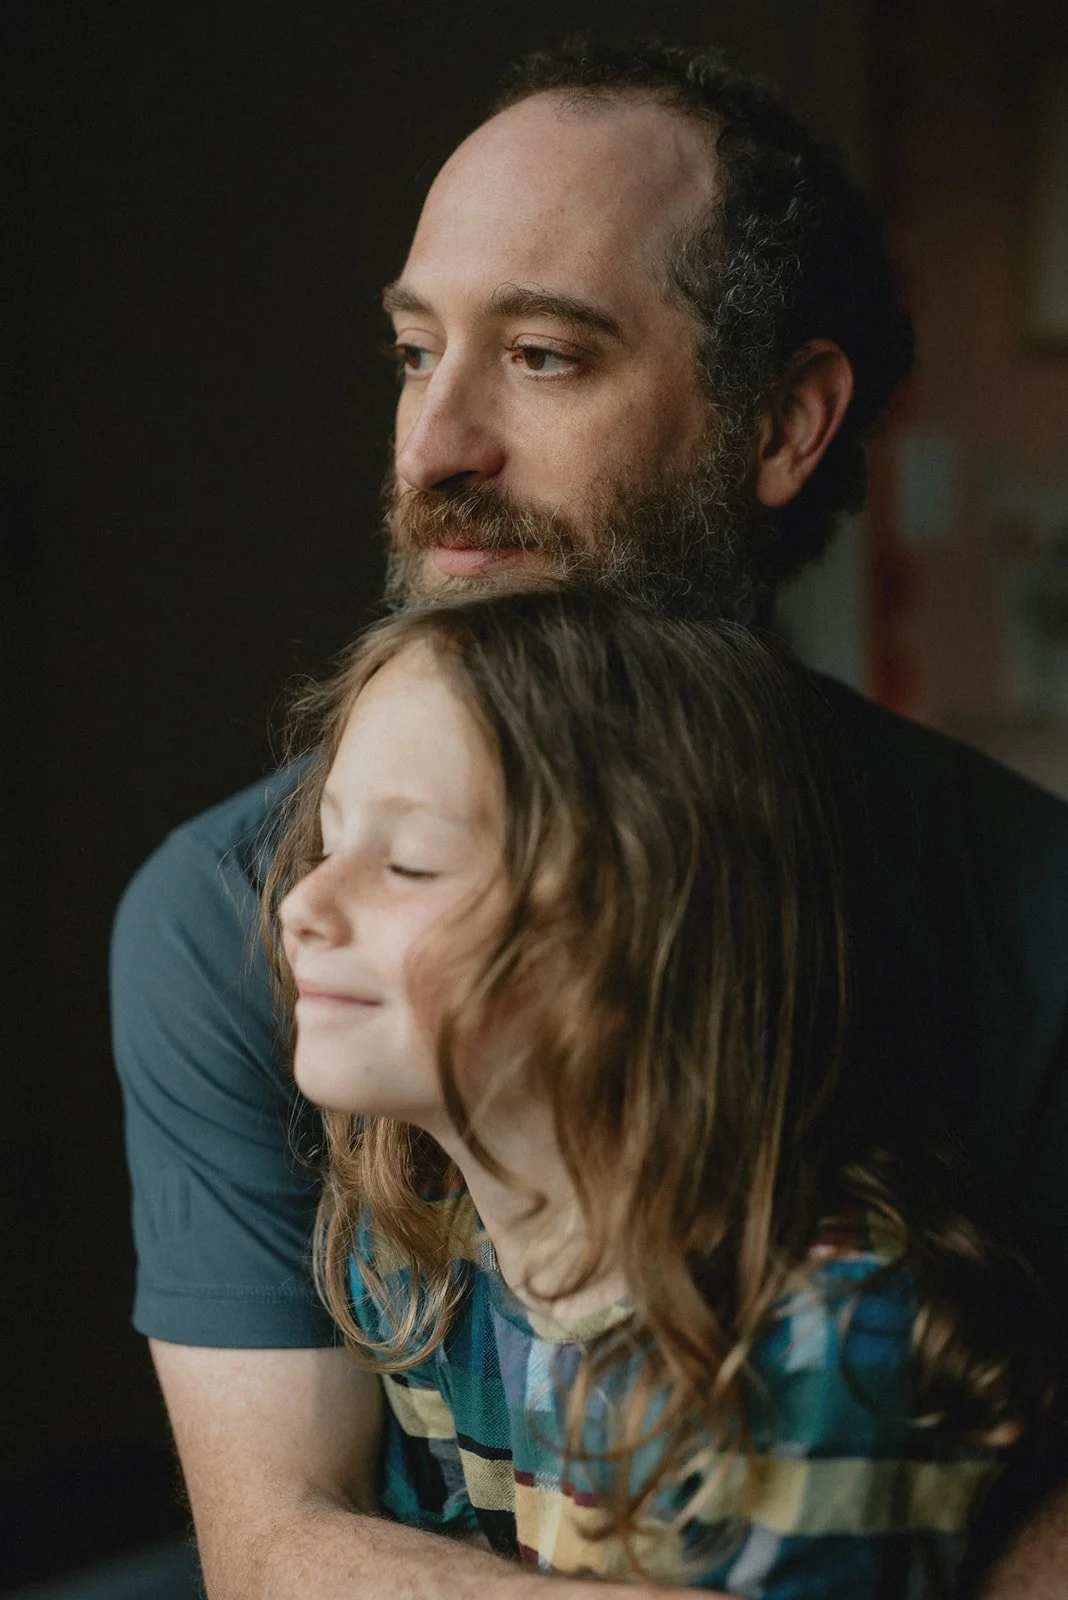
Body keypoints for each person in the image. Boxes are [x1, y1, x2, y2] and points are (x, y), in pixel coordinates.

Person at [111, 40, 1068, 1599]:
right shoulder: (218, 905)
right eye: (417, 353)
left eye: (545, 356)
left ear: (784, 425)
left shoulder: (1028, 913)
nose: (437, 447)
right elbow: (280, 1544)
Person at [267, 584, 1057, 1596]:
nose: (302, 902)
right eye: (327, 845)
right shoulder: (427, 1268)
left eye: (410, 863)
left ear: (632, 945)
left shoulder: (824, 1346)